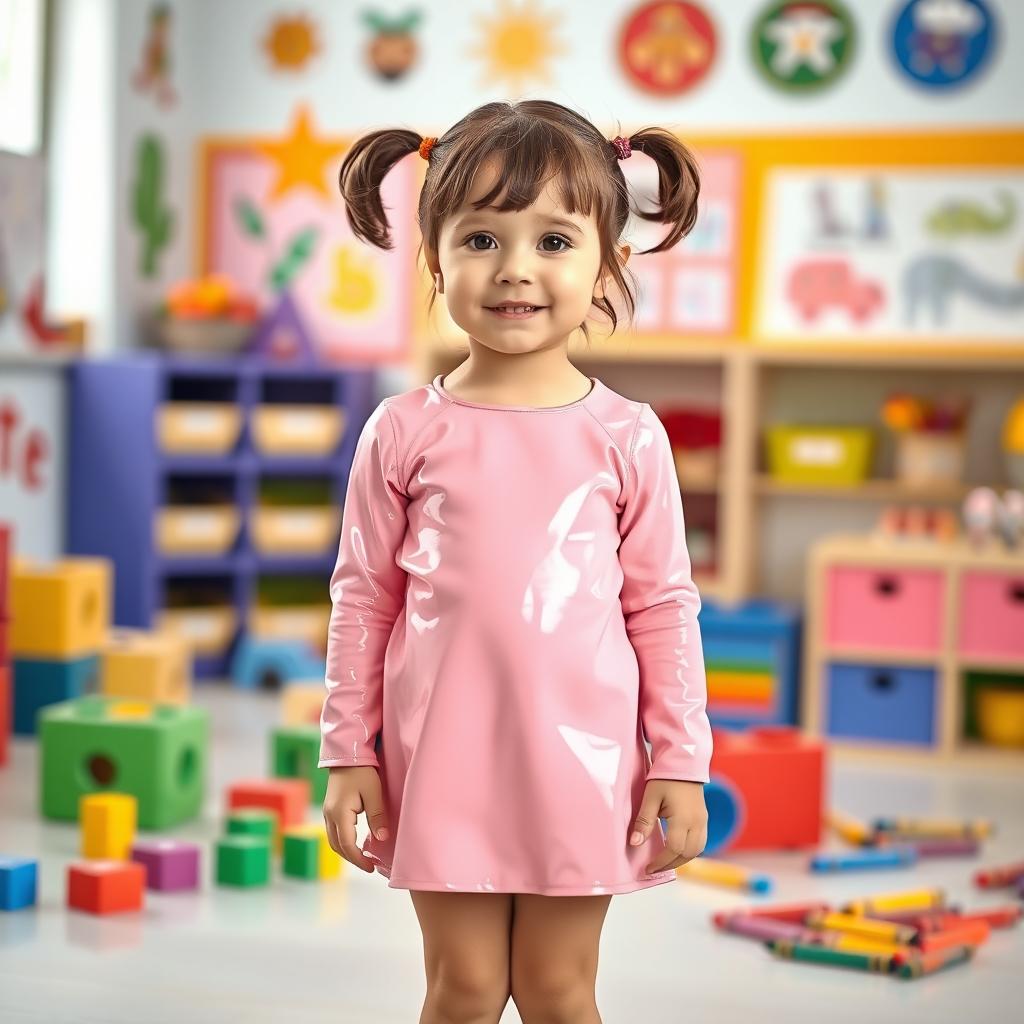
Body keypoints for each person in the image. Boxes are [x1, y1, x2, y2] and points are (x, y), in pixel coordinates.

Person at [320, 99, 712, 1024]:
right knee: (460, 991)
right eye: (483, 239)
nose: (517, 271)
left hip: (584, 761)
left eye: (555, 241)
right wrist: (348, 750)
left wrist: (681, 760)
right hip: (441, 753)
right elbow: (363, 599)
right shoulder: (403, 430)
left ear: (607, 260)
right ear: (433, 257)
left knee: (557, 991)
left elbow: (662, 607)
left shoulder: (629, 436)